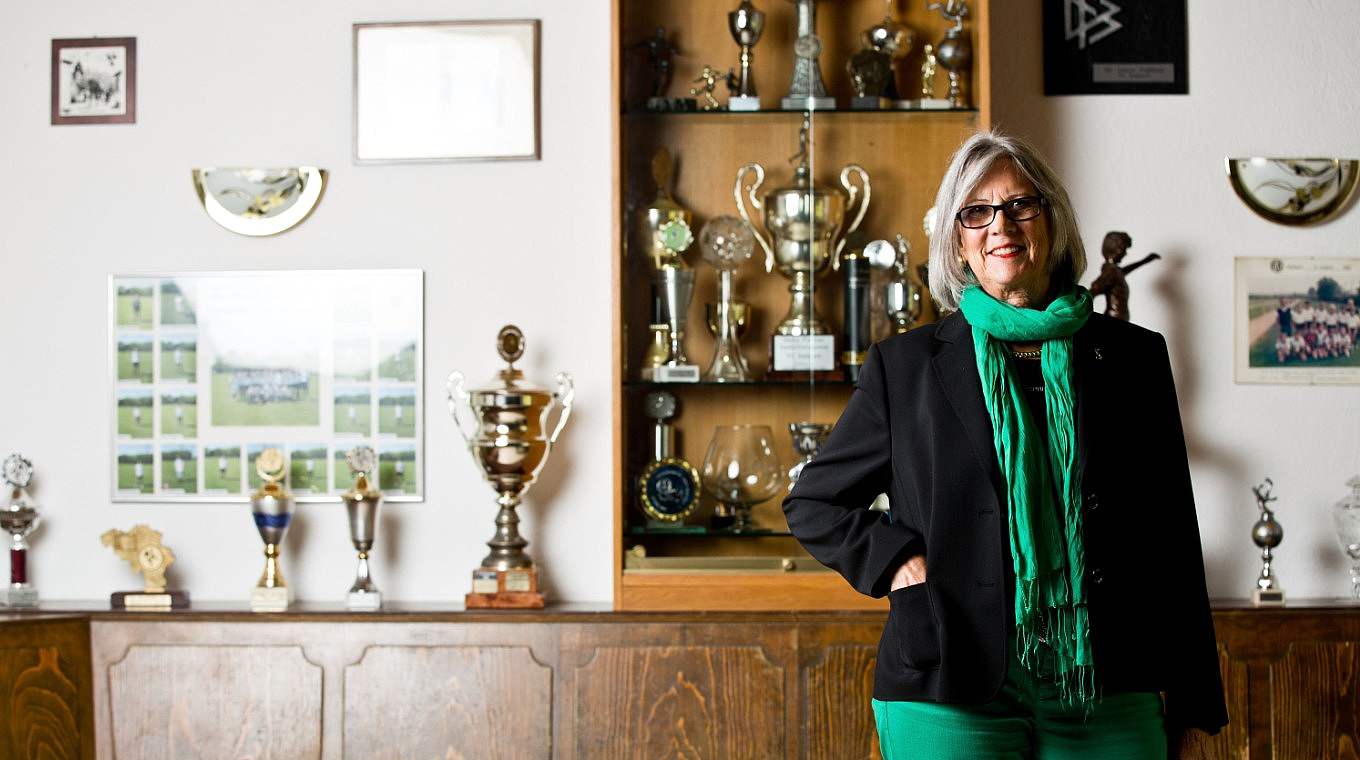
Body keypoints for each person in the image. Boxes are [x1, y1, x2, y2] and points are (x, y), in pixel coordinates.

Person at [783, 131, 1226, 759]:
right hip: (950, 678)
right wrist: (897, 562)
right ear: (957, 241)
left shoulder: (1134, 358)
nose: (1001, 226)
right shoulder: (905, 367)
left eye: (1021, 205)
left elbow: (1172, 534)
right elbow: (813, 502)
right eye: (977, 212)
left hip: (1107, 679)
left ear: (1053, 220)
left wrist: (1194, 701)